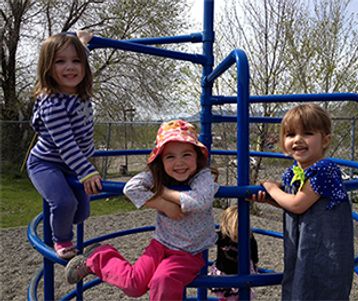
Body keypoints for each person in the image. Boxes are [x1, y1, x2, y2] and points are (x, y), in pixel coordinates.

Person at [65, 119, 219, 300]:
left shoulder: (202, 176)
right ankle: (99, 256)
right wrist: (163, 205)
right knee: (133, 285)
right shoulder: (158, 175)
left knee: (163, 280)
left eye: (186, 154)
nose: (180, 163)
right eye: (170, 156)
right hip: (160, 245)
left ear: (197, 156)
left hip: (189, 253)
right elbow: (130, 187)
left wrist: (163, 191)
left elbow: (200, 200)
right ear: (160, 160)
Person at [251, 103, 354, 300]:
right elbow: (297, 203)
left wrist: (272, 189)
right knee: (299, 287)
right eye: (290, 135)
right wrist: (271, 200)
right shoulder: (294, 172)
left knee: (321, 291)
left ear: (325, 140)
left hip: (324, 253)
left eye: (307, 133)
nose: (298, 140)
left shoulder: (325, 169)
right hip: (304, 249)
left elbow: (298, 205)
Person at [26, 31, 101, 259]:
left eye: (76, 61)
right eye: (60, 61)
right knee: (64, 202)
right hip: (46, 164)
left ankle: (63, 220)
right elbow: (66, 145)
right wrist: (87, 171)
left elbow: (79, 56)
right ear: (48, 67)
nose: (70, 67)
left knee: (82, 212)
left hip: (72, 164)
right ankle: (62, 240)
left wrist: (82, 43)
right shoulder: (53, 104)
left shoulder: (79, 94)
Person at [209, 205, 258, 301]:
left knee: (240, 294)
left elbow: (254, 256)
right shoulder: (222, 236)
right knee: (227, 295)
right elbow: (208, 238)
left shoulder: (249, 238)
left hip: (240, 274)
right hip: (224, 275)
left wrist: (254, 267)